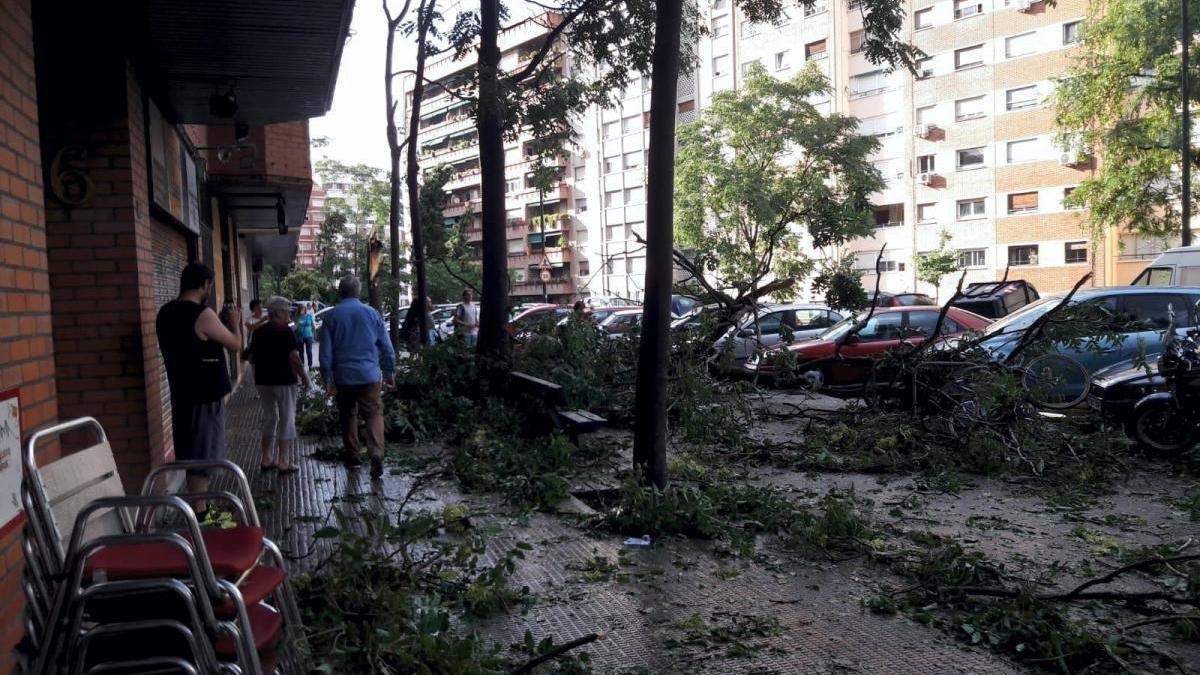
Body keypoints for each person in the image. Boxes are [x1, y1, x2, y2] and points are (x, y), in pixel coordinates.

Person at [156, 262, 242, 519]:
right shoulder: (202, 315)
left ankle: (200, 509)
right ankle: (201, 515)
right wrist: (235, 323)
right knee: (202, 455)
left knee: (191, 452)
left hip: (180, 391)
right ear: (204, 285)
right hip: (203, 395)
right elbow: (235, 345)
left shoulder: (165, 313)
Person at [319, 276, 396, 479]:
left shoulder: (331, 317)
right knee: (373, 414)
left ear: (340, 292)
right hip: (369, 376)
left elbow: (325, 354)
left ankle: (353, 457)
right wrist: (389, 373)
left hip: (343, 377)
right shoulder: (373, 314)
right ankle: (376, 454)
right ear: (358, 292)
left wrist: (328, 380)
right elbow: (387, 348)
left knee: (347, 415)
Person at [249, 296, 310, 474]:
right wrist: (305, 378)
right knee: (287, 419)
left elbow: (252, 358)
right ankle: (283, 461)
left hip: (263, 382)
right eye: (287, 312)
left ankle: (266, 459)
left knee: (270, 418)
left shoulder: (258, 332)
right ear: (280, 313)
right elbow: (294, 358)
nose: (289, 315)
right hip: (284, 381)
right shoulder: (285, 331)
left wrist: (256, 378)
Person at [296, 304, 315, 368]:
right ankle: (302, 364)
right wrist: (297, 322)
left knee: (309, 351)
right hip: (300, 336)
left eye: (304, 309)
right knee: (301, 351)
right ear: (299, 310)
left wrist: (313, 335)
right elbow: (294, 327)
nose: (302, 311)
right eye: (301, 309)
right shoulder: (297, 317)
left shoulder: (309, 316)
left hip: (308, 335)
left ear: (305, 310)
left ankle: (310, 365)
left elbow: (312, 326)